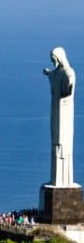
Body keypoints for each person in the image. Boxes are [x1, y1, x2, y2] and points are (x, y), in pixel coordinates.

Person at [43, 47, 75, 187]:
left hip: (64, 114)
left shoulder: (68, 72)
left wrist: (69, 86)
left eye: (54, 59)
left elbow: (69, 86)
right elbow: (53, 75)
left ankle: (64, 180)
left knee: (63, 145)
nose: (53, 61)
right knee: (56, 143)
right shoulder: (57, 73)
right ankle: (56, 179)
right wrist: (48, 73)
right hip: (56, 112)